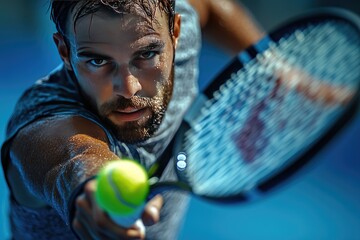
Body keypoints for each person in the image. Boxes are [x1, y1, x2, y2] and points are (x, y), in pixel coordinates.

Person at [1, 0, 263, 239]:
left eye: (146, 54)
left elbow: (208, 8)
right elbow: (72, 155)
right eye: (98, 60)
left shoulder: (177, 36)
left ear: (176, 32)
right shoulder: (41, 119)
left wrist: (270, 64)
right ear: (64, 51)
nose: (128, 88)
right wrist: (91, 185)